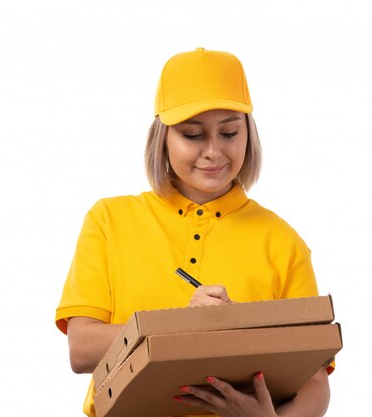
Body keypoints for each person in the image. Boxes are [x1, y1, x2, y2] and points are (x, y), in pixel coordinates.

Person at [55, 47, 334, 417]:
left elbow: (315, 382)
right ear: (163, 138)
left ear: (248, 133)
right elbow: (82, 349)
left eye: (229, 132)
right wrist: (191, 330)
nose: (214, 151)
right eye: (192, 134)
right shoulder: (110, 219)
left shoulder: (282, 242)